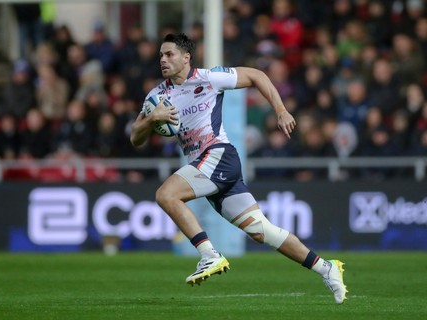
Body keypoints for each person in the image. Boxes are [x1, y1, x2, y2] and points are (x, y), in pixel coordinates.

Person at [130, 33, 347, 304]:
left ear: (186, 57)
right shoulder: (156, 95)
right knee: (261, 231)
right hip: (203, 165)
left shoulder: (209, 78)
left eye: (169, 54)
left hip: (218, 155)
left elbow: (257, 75)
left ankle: (209, 255)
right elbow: (135, 138)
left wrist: (280, 110)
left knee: (166, 194)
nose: (163, 59)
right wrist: (152, 119)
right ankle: (326, 267)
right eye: (161, 55)